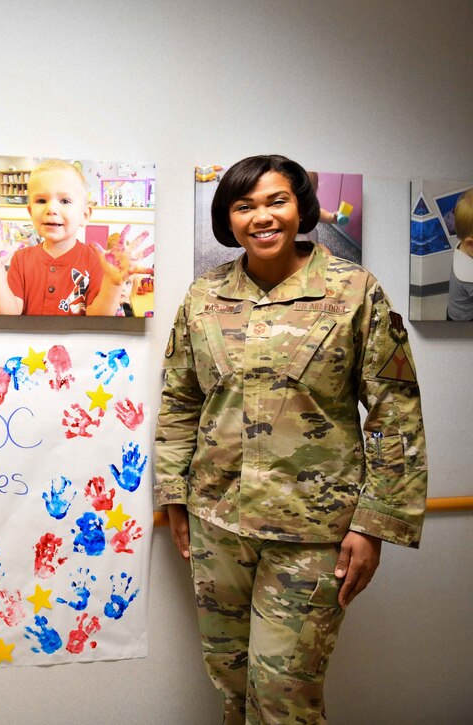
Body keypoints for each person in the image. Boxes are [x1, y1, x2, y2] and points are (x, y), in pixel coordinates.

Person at [155, 154, 426, 724]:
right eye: (244, 206)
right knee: (231, 685)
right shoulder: (204, 297)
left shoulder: (352, 291)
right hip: (217, 521)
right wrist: (174, 494)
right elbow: (180, 400)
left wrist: (374, 523)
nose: (262, 217)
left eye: (276, 201)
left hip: (311, 531)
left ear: (301, 207)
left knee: (284, 699)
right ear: (228, 219)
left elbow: (394, 412)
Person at [0, 159, 130, 315]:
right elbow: (8, 313)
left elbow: (98, 318)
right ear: (31, 212)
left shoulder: (95, 260)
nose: (51, 208)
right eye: (41, 200)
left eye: (65, 201)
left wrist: (113, 283)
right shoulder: (20, 260)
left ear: (84, 215)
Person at [446, 188, 473, 321]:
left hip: (453, 308)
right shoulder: (468, 276)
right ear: (470, 243)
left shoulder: (461, 245)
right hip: (462, 320)